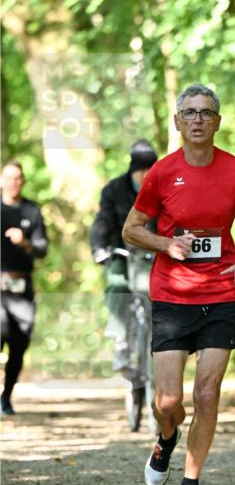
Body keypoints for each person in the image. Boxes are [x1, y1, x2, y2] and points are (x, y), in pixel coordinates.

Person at [122, 84, 235, 485]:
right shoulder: (162, 173)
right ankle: (165, 437)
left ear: (217, 122)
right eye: (189, 112)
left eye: (206, 113)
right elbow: (131, 229)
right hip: (172, 294)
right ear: (177, 121)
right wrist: (165, 244)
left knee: (207, 393)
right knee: (169, 403)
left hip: (221, 292)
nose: (197, 119)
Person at [90, 140, 158, 371]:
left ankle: (168, 340)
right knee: (117, 283)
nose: (146, 176)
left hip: (154, 253)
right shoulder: (114, 189)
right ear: (133, 170)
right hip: (121, 252)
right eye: (142, 171)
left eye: (150, 170)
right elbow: (103, 222)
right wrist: (99, 247)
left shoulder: (162, 188)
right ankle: (120, 338)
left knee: (164, 290)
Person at [1, 161, 48, 415]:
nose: (13, 182)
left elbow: (42, 249)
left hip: (22, 288)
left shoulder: (32, 211)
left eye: (18, 178)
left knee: (20, 343)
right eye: (9, 177)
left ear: (23, 181)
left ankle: (6, 396)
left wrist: (24, 243)